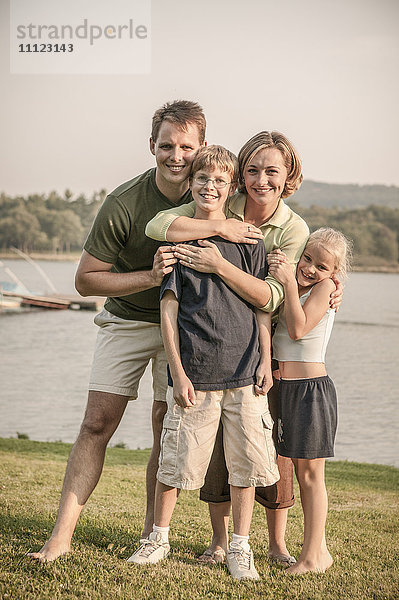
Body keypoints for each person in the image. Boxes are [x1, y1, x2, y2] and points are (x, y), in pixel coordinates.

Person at [27, 100, 262, 563]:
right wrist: (149, 277)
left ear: (203, 147)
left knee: (165, 429)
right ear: (151, 146)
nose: (177, 155)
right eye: (166, 145)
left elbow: (270, 224)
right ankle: (61, 535)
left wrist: (324, 279)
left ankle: (151, 537)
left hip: (190, 330)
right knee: (97, 422)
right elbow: (85, 280)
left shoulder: (217, 194)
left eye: (186, 146)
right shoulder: (125, 203)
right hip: (128, 319)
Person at [145, 131, 343, 565]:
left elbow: (275, 295)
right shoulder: (225, 202)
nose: (261, 180)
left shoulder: (293, 228)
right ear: (240, 177)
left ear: (288, 175)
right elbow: (159, 226)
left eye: (271, 171)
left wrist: (328, 281)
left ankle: (273, 543)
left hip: (264, 346)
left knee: (263, 450)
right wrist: (218, 226)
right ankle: (220, 542)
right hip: (212, 344)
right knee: (218, 450)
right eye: (252, 170)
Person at [128, 145, 280, 581]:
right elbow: (170, 310)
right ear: (190, 184)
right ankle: (157, 538)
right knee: (176, 462)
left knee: (247, 463)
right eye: (201, 179)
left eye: (218, 180)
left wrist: (266, 361)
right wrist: (176, 371)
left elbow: (262, 308)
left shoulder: (250, 240)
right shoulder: (180, 239)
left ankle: (240, 548)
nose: (209, 186)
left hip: (246, 373)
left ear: (231, 186)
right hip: (196, 373)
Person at [267, 228, 352, 574]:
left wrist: (288, 281)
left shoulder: (325, 288)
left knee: (311, 476)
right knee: (299, 472)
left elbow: (299, 329)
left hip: (311, 391)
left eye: (322, 266)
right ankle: (321, 551)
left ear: (335, 274)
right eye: (307, 259)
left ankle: (311, 557)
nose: (311, 268)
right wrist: (288, 283)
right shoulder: (298, 288)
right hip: (285, 389)